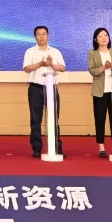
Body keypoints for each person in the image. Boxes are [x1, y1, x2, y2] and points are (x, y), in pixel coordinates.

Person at [23, 25, 66, 158]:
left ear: (48, 36)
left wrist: (52, 65)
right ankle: (37, 147)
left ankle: (56, 147)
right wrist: (40, 64)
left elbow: (62, 68)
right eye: (39, 34)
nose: (42, 36)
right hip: (36, 88)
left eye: (44, 34)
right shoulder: (30, 51)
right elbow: (26, 68)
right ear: (35, 37)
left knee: (54, 118)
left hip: (51, 88)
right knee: (35, 119)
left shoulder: (55, 51)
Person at [88, 27, 112, 158]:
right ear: (95, 39)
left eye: (106, 35)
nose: (104, 38)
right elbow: (92, 70)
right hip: (100, 91)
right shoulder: (92, 53)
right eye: (100, 36)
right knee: (100, 119)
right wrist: (104, 67)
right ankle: (101, 147)